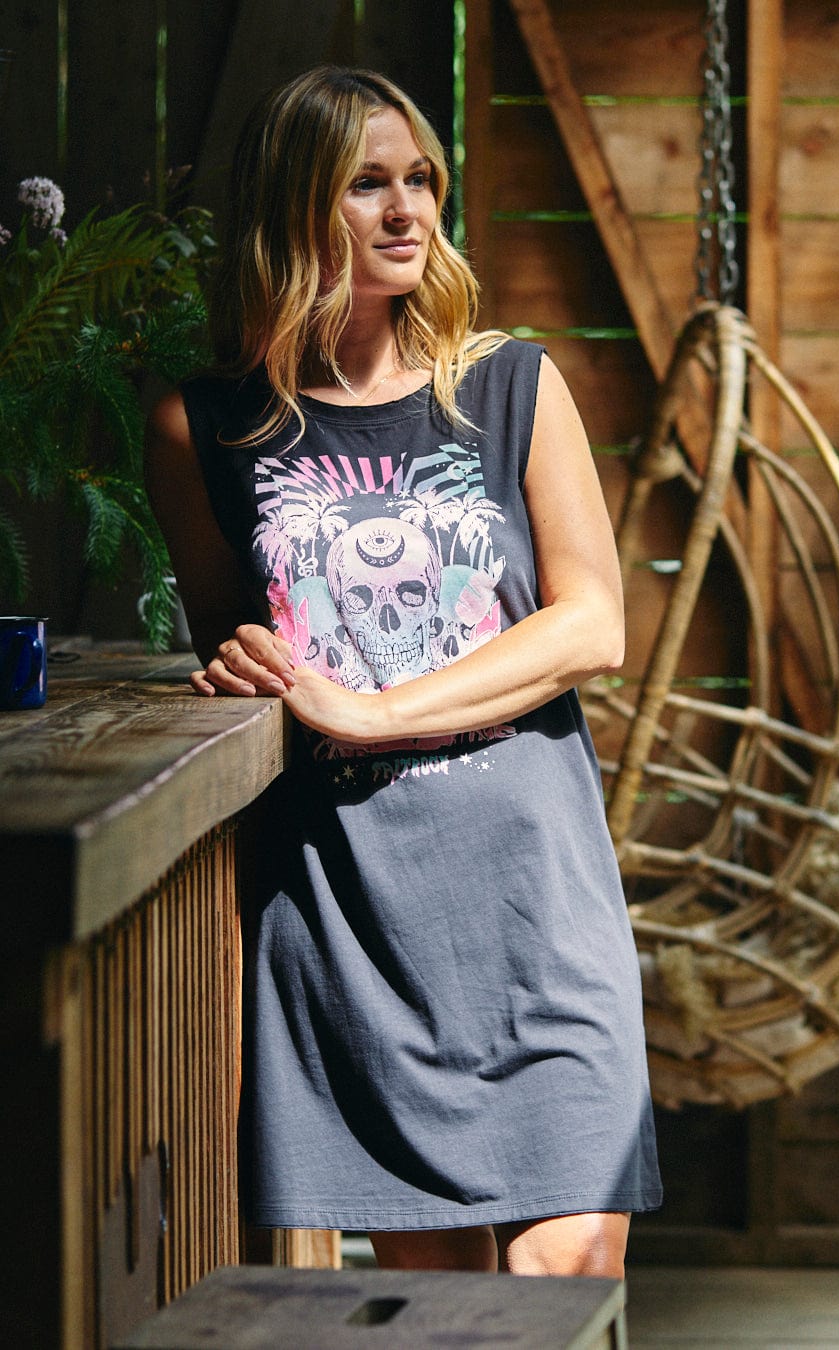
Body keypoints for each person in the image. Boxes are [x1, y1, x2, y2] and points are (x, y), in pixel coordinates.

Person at [145, 65, 661, 1277]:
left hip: (536, 901)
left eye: (420, 179)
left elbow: (593, 627)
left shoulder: (507, 386)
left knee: (562, 1281)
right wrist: (237, 658)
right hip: (353, 916)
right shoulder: (204, 425)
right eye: (366, 183)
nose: (406, 211)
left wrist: (374, 712)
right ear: (293, 205)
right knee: (442, 1315)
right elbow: (237, 641)